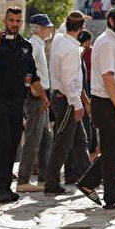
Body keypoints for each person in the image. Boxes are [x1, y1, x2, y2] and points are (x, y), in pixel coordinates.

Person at [0, 6, 50, 203]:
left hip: (17, 102)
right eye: (11, 20)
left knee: (12, 144)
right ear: (5, 21)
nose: (14, 24)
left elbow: (33, 75)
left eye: (18, 21)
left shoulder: (25, 46)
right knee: (2, 142)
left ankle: (5, 186)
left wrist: (43, 96)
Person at [76, 4, 115, 210]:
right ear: (111, 20)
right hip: (107, 102)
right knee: (112, 151)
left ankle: (89, 181)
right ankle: (112, 196)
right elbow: (107, 77)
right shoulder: (106, 43)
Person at [44, 11, 91, 196]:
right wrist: (77, 105)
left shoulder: (59, 40)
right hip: (66, 101)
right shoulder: (71, 49)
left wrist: (76, 20)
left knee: (80, 141)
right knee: (62, 142)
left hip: (64, 98)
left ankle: (90, 179)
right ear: (81, 29)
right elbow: (68, 80)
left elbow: (65, 27)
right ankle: (51, 182)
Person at [17, 14, 55, 193]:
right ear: (39, 28)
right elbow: (26, 70)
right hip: (36, 95)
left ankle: (43, 178)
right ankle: (23, 179)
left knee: (46, 138)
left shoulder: (39, 45)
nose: (50, 30)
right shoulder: (33, 45)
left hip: (42, 94)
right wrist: (34, 90)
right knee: (33, 137)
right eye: (47, 27)